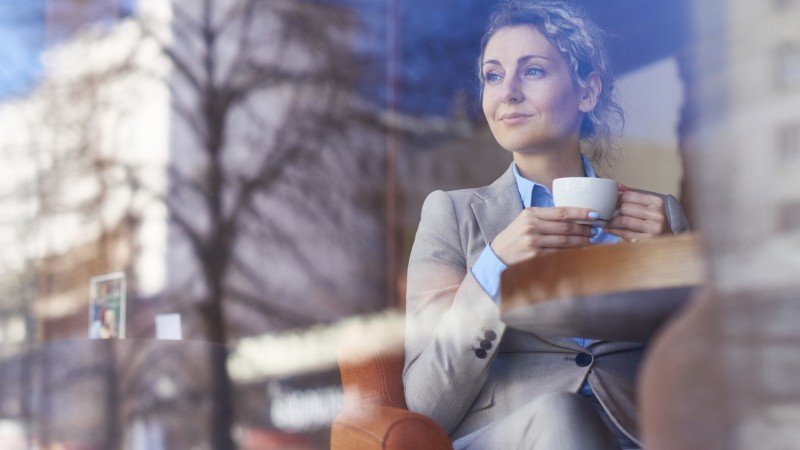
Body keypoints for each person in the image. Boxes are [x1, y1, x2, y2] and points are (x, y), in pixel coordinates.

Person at [402, 1, 690, 449]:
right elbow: (424, 404)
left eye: (532, 71)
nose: (508, 92)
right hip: (511, 435)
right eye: (493, 76)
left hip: (631, 435)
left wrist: (669, 267)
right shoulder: (452, 215)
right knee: (561, 414)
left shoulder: (658, 217)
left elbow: (707, 377)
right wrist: (495, 267)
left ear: (587, 91)